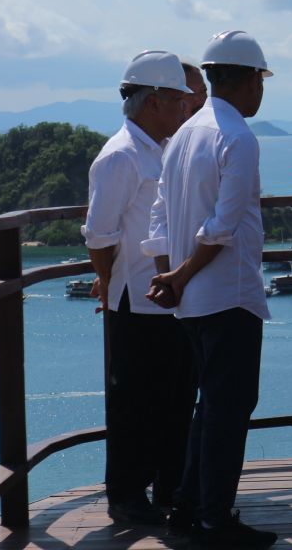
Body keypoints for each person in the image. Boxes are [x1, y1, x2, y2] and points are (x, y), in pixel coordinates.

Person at [142, 29, 277, 548]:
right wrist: (180, 276)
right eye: (259, 80)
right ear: (245, 81)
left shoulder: (183, 134)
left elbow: (160, 215)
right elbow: (224, 225)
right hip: (228, 293)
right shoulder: (237, 137)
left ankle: (187, 505)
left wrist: (170, 274)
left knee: (209, 406)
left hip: (192, 301)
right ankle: (214, 519)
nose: (261, 90)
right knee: (229, 410)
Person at [82, 50, 196, 525]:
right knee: (133, 403)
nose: (185, 109)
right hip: (134, 302)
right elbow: (99, 234)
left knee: (172, 399)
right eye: (177, 100)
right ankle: (127, 496)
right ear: (153, 102)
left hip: (167, 299)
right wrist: (108, 283)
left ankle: (170, 488)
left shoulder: (161, 148)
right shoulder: (120, 157)